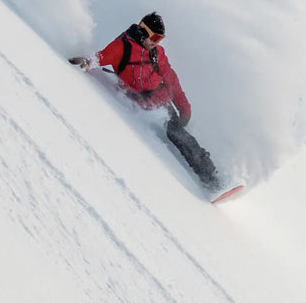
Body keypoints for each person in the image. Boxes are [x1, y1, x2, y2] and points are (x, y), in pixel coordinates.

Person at [70, 12, 219, 187]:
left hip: (161, 100)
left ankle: (210, 176)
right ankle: (207, 176)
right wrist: (83, 62)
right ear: (143, 32)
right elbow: (99, 58)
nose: (157, 42)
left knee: (176, 132)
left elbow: (171, 79)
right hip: (138, 101)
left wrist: (184, 107)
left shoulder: (157, 52)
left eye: (160, 39)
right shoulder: (121, 48)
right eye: (155, 37)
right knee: (172, 133)